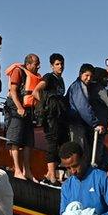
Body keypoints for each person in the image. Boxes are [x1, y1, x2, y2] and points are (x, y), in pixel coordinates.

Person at [32, 53, 70, 185]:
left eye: (62, 64)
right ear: (52, 66)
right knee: (52, 144)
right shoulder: (49, 77)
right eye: (57, 64)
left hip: (60, 116)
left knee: (62, 143)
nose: (60, 67)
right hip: (50, 116)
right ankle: (52, 176)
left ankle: (50, 174)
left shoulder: (61, 80)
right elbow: (36, 91)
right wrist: (45, 106)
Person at [4, 54, 42, 180]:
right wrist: (19, 107)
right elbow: (13, 91)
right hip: (16, 107)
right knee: (15, 138)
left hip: (29, 110)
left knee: (28, 141)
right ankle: (17, 170)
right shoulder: (18, 71)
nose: (38, 66)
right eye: (36, 64)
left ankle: (27, 171)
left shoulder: (37, 76)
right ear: (28, 64)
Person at [67, 64, 104, 171]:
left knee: (83, 151)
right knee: (78, 151)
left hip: (80, 124)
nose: (88, 79)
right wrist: (95, 123)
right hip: (75, 123)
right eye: (86, 75)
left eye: (91, 77)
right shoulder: (77, 86)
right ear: (80, 74)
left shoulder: (82, 86)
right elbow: (83, 107)